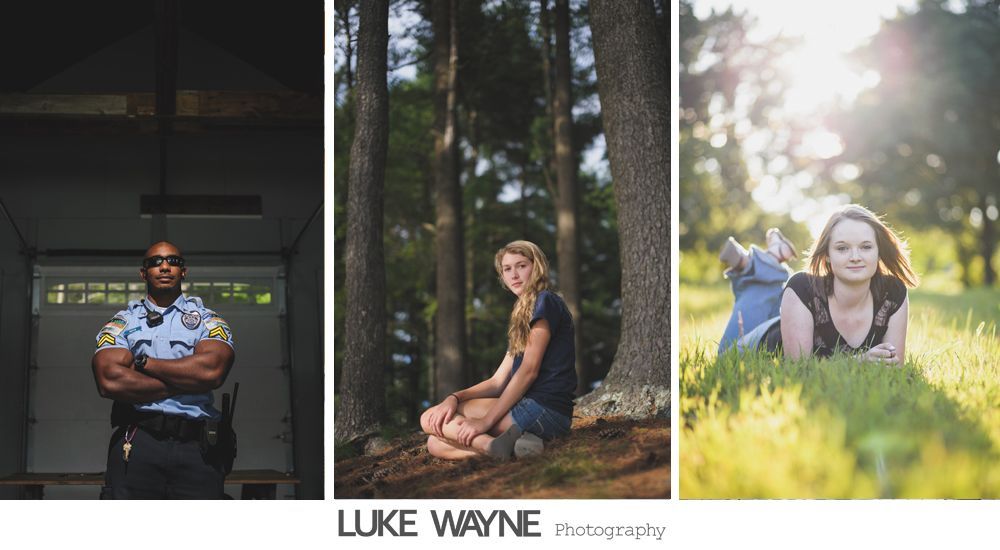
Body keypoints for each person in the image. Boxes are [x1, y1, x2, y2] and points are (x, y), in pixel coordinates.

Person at [91, 241, 236, 499]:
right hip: (137, 443)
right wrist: (188, 380)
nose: (165, 267)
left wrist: (144, 363)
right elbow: (109, 380)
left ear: (184, 271)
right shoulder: (123, 322)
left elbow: (211, 372)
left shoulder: (208, 320)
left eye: (173, 261)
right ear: (143, 273)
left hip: (197, 448)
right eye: (155, 262)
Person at [420, 240, 576, 460]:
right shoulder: (523, 316)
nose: (514, 274)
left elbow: (529, 370)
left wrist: (485, 421)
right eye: (507, 269)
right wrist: (454, 397)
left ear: (537, 266)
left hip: (543, 409)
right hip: (537, 414)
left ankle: (492, 446)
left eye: (521, 265)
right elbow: (497, 382)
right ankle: (509, 448)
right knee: (435, 443)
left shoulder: (545, 301)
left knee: (429, 418)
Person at [717, 204, 919, 363]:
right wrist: (858, 362)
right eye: (842, 248)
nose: (855, 257)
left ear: (878, 252)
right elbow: (798, 369)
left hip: (793, 317)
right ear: (827, 255)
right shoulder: (802, 287)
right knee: (728, 352)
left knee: (777, 293)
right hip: (760, 340)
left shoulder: (893, 293)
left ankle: (768, 258)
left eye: (866, 247)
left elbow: (894, 366)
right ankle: (763, 265)